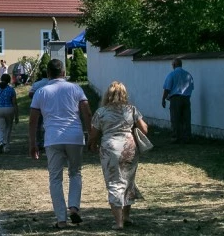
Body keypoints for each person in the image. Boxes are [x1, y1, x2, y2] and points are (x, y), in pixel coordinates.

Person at [29, 59, 92, 230]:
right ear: (64, 72)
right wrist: (92, 135)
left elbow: (33, 120)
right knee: (75, 173)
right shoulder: (76, 88)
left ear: (48, 74)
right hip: (75, 136)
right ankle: (73, 206)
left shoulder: (41, 92)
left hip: (53, 137)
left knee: (55, 178)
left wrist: (33, 142)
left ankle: (61, 219)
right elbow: (86, 112)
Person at [89, 81, 149, 230]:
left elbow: (93, 134)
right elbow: (144, 129)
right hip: (129, 147)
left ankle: (119, 222)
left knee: (114, 182)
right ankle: (126, 217)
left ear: (108, 95)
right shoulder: (131, 110)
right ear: (124, 94)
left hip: (110, 148)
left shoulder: (101, 112)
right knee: (128, 181)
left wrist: (93, 144)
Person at [162, 58, 194, 143]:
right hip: (186, 98)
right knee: (186, 118)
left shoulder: (171, 75)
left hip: (175, 98)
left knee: (175, 118)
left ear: (174, 65)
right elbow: (191, 87)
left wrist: (163, 99)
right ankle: (187, 137)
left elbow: (167, 88)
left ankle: (176, 137)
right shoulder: (188, 74)